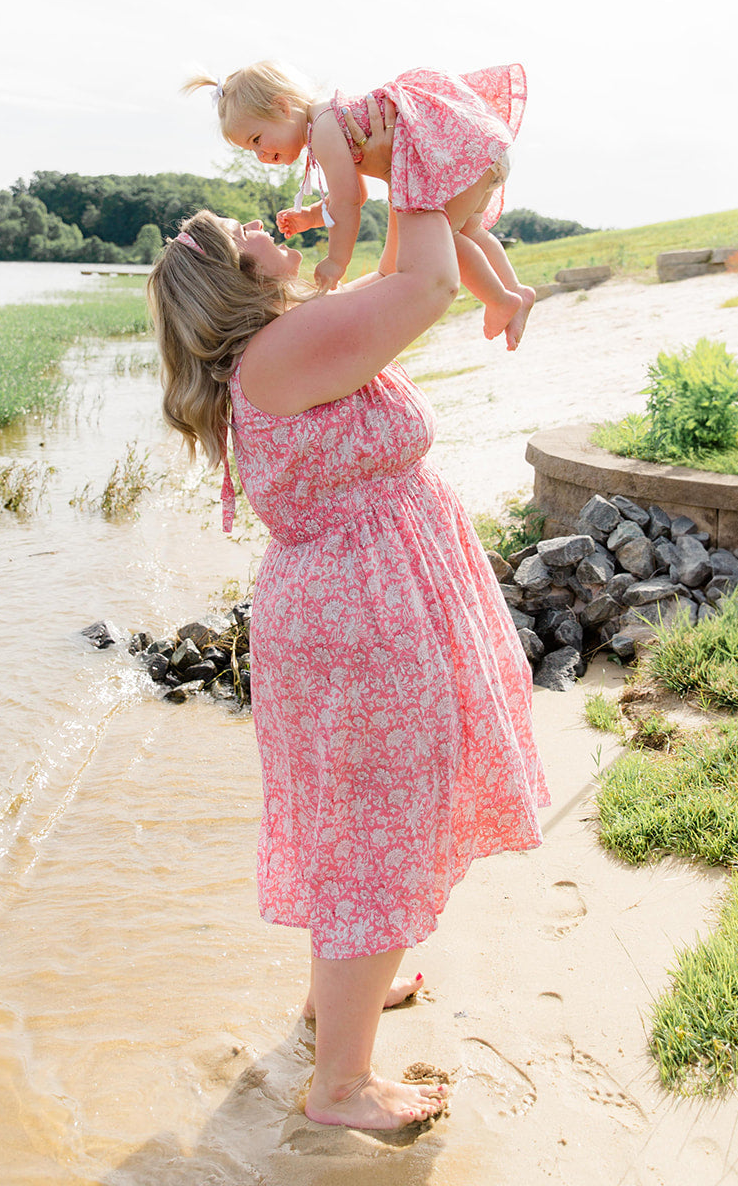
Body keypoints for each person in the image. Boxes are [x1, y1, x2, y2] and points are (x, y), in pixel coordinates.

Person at [146, 107, 549, 1133]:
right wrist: (410, 144)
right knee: (373, 825)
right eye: (251, 237)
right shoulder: (280, 349)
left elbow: (400, 276)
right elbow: (423, 282)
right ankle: (339, 1085)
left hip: (362, 605)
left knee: (367, 817)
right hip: (358, 618)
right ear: (233, 280)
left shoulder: (287, 344)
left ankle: (345, 1002)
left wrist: (380, 175)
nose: (271, 231)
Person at [184, 60, 535, 347]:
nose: (262, 155)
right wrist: (309, 217)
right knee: (470, 230)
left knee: (447, 237)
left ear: (282, 107)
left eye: (258, 139)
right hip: (482, 151)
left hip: (463, 155)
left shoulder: (322, 128)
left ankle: (500, 300)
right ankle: (516, 289)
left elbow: (349, 202)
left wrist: (337, 261)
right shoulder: (328, 123)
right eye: (252, 150)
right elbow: (355, 195)